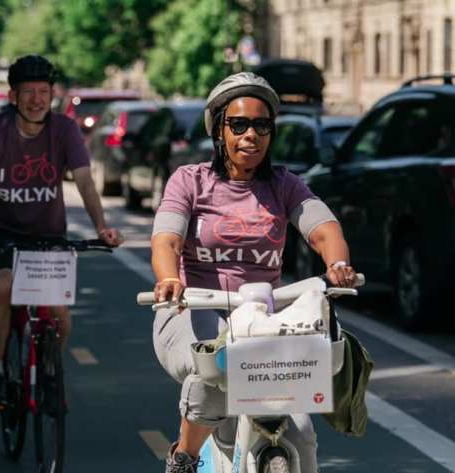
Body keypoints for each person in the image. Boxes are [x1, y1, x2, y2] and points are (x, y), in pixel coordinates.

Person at [150, 72, 358, 473]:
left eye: (261, 125)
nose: (251, 135)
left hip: (262, 320)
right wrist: (169, 278)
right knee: (211, 368)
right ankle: (185, 457)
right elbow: (167, 240)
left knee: (301, 433)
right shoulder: (190, 181)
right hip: (191, 308)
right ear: (219, 130)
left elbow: (324, 229)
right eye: (239, 124)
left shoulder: (285, 184)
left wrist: (336, 264)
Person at [0, 54, 123, 410]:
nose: (37, 99)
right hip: (0, 232)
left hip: (49, 235)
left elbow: (84, 181)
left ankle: (49, 366)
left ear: (52, 94)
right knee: (2, 285)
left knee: (59, 311)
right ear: (12, 97)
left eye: (44, 92)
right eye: (28, 92)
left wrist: (101, 227)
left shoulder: (64, 129)